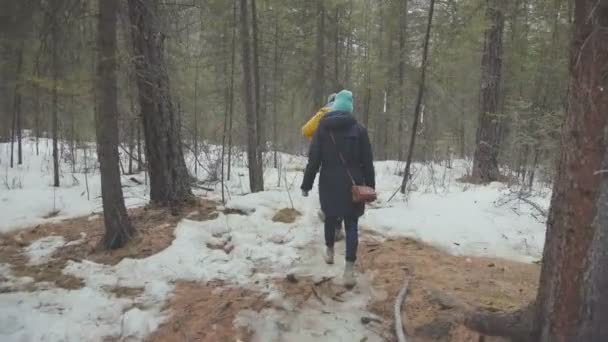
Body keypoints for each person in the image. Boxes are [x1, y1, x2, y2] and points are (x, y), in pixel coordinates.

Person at [301, 89, 375, 288]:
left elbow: (313, 161)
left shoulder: (322, 129)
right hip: (354, 185)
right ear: (350, 108)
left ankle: (330, 252)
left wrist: (306, 185)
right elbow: (368, 162)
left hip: (329, 183)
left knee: (330, 217)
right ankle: (349, 271)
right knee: (351, 225)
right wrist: (370, 187)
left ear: (334, 107)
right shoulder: (359, 130)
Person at [301, 94, 344, 241]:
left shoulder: (322, 114)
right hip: (344, 159)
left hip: (324, 157)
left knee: (328, 187)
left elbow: (305, 130)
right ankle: (336, 225)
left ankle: (327, 213)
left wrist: (316, 136)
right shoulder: (346, 113)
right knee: (341, 192)